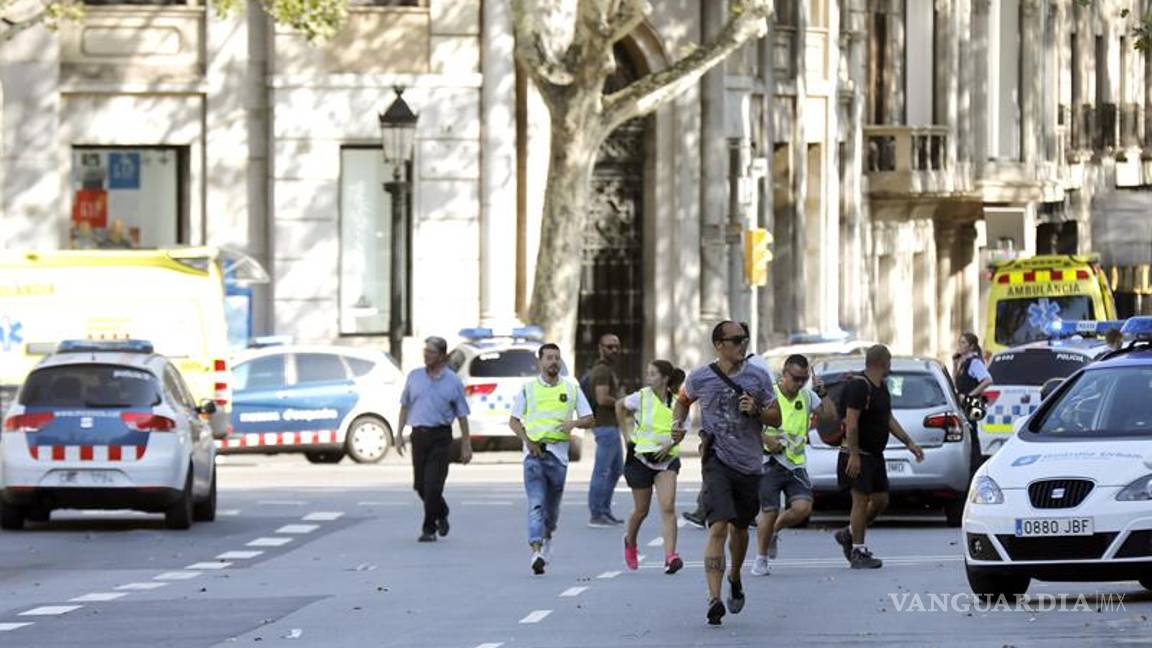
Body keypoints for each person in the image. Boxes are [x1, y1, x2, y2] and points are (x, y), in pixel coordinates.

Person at [672, 321, 781, 626]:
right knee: (718, 527)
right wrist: (677, 425)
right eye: (736, 340)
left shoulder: (758, 376)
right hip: (716, 460)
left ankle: (734, 576)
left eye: (744, 340)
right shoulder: (701, 377)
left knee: (741, 529)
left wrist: (757, 409)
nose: (742, 345)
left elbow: (776, 416)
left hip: (749, 464)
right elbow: (682, 402)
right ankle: (714, 598)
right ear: (719, 344)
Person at [834, 344, 924, 569]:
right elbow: (852, 424)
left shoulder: (881, 387)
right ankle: (858, 551)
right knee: (860, 500)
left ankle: (849, 533)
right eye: (889, 362)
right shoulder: (859, 386)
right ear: (882, 362)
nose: (890, 366)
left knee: (881, 500)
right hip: (857, 454)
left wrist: (909, 442)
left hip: (875, 455)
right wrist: (853, 455)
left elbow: (888, 419)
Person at [509, 343, 595, 575]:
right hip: (534, 455)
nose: (553, 362)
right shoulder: (528, 389)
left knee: (552, 511)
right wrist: (528, 441)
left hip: (558, 457)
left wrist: (574, 423)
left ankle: (547, 537)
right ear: (540, 362)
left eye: (557, 358)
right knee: (536, 503)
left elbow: (589, 418)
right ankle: (536, 550)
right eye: (549, 358)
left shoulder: (571, 389)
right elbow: (514, 421)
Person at [750, 354, 838, 576]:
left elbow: (830, 417)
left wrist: (823, 394)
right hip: (769, 461)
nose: (799, 383)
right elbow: (748, 422)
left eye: (804, 379)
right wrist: (766, 439)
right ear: (784, 374)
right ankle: (761, 559)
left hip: (795, 464)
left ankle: (774, 531)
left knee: (802, 509)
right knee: (768, 512)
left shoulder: (807, 396)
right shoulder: (768, 395)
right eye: (796, 378)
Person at [395, 336, 473, 543]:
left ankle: (429, 528)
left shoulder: (452, 381)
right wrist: (398, 434)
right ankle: (442, 511)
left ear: (441, 356)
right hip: (418, 436)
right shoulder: (414, 377)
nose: (426, 355)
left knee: (433, 485)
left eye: (431, 352)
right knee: (420, 486)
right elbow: (404, 406)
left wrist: (466, 444)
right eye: (425, 351)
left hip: (440, 437)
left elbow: (462, 415)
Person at [616, 360, 687, 574]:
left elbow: (682, 430)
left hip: (667, 460)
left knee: (667, 506)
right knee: (641, 510)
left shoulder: (678, 402)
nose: (649, 377)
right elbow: (619, 405)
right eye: (648, 373)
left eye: (653, 374)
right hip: (640, 460)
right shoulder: (642, 397)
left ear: (665, 379)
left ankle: (670, 556)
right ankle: (630, 542)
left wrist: (670, 444)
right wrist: (626, 436)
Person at [583, 333, 625, 527]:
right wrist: (623, 403)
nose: (614, 350)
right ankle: (597, 513)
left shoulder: (608, 369)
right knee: (602, 471)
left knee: (616, 469)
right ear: (600, 348)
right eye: (609, 347)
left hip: (611, 426)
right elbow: (602, 398)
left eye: (616, 346)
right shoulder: (601, 371)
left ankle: (604, 510)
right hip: (605, 426)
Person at [952, 333, 992, 400]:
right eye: (959, 342)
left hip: (971, 404)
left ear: (971, 346)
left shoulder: (974, 362)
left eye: (963, 343)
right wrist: (955, 365)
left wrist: (970, 395)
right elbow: (955, 384)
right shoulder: (964, 362)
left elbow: (988, 380)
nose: (960, 345)